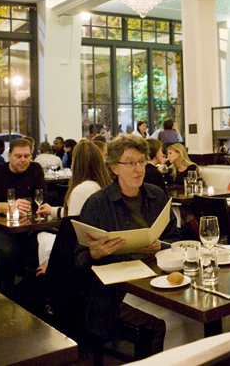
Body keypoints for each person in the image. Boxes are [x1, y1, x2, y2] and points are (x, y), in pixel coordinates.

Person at [74, 135, 180, 353]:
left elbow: (175, 239)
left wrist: (161, 245)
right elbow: (77, 260)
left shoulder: (156, 195)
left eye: (141, 162)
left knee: (189, 314)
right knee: (167, 324)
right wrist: (95, 253)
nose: (138, 169)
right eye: (130, 163)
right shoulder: (98, 203)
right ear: (114, 168)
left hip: (157, 281)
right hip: (115, 293)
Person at [0, 138, 47, 297]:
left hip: (28, 227)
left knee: (43, 245)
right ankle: (6, 292)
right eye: (18, 156)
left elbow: (43, 197)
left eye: (27, 156)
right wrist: (6, 207)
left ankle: (31, 293)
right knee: (9, 251)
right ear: (9, 156)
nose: (24, 160)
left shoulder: (35, 169)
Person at [35, 140, 113, 275]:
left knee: (39, 237)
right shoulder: (105, 185)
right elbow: (77, 215)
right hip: (102, 249)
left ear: (75, 162)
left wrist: (54, 268)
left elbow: (70, 235)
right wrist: (52, 210)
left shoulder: (81, 190)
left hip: (81, 255)